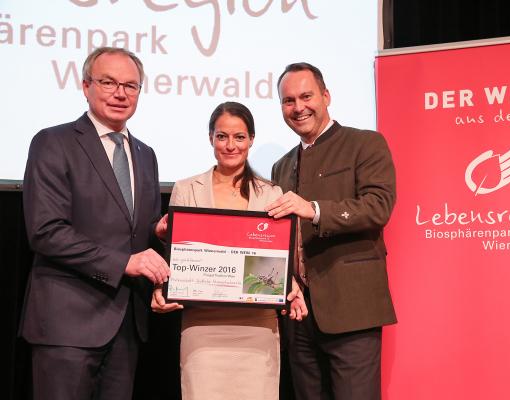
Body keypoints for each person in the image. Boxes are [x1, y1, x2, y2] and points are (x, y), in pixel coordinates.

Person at [19, 47, 170, 400]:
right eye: (108, 82)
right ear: (86, 86)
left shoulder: (145, 154)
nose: (120, 93)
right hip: (66, 325)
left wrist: (157, 233)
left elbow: (135, 233)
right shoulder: (52, 142)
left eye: (130, 86)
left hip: (126, 328)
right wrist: (125, 263)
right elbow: (45, 231)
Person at [151, 101, 307, 400]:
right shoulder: (187, 189)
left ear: (251, 140)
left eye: (239, 137)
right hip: (203, 327)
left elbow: (276, 261)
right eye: (222, 136)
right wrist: (163, 285)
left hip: (257, 328)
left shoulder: (271, 193)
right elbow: (180, 257)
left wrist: (291, 285)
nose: (230, 145)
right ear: (211, 138)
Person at [265, 62, 397, 400]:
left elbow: (378, 205)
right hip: (298, 313)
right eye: (288, 100)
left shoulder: (365, 143)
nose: (298, 108)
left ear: (326, 97)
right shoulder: (281, 166)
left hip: (351, 308)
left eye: (306, 96)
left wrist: (315, 209)